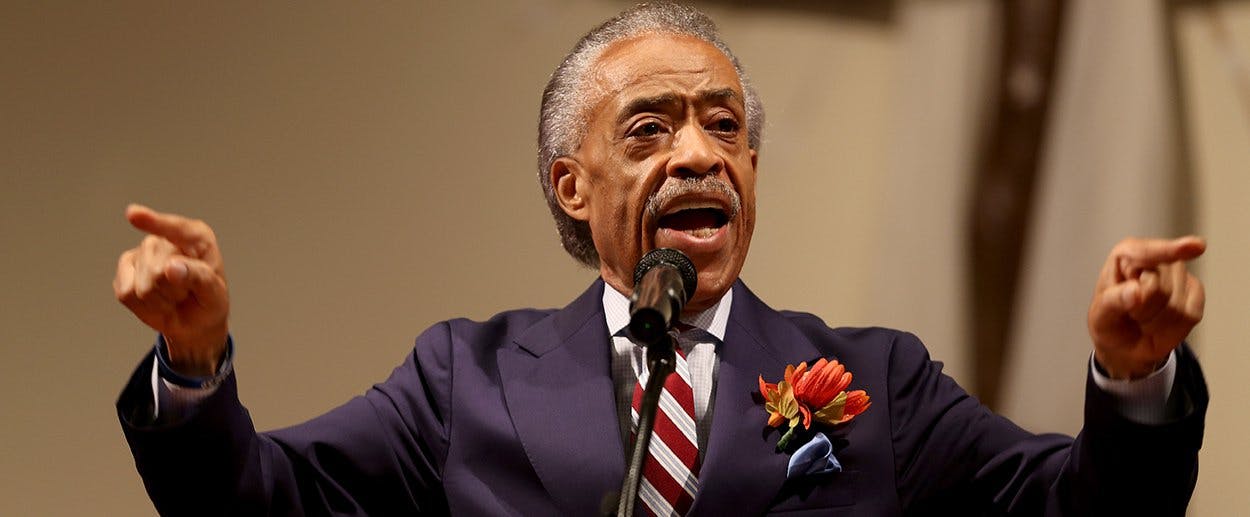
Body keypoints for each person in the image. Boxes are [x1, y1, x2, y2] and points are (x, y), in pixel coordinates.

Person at [114, 3, 1208, 516]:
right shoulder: (463, 382)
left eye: (724, 126)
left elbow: (1081, 512)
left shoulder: (878, 381)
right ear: (571, 185)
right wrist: (193, 361)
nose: (698, 153)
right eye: (649, 128)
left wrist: (1133, 380)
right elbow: (253, 506)